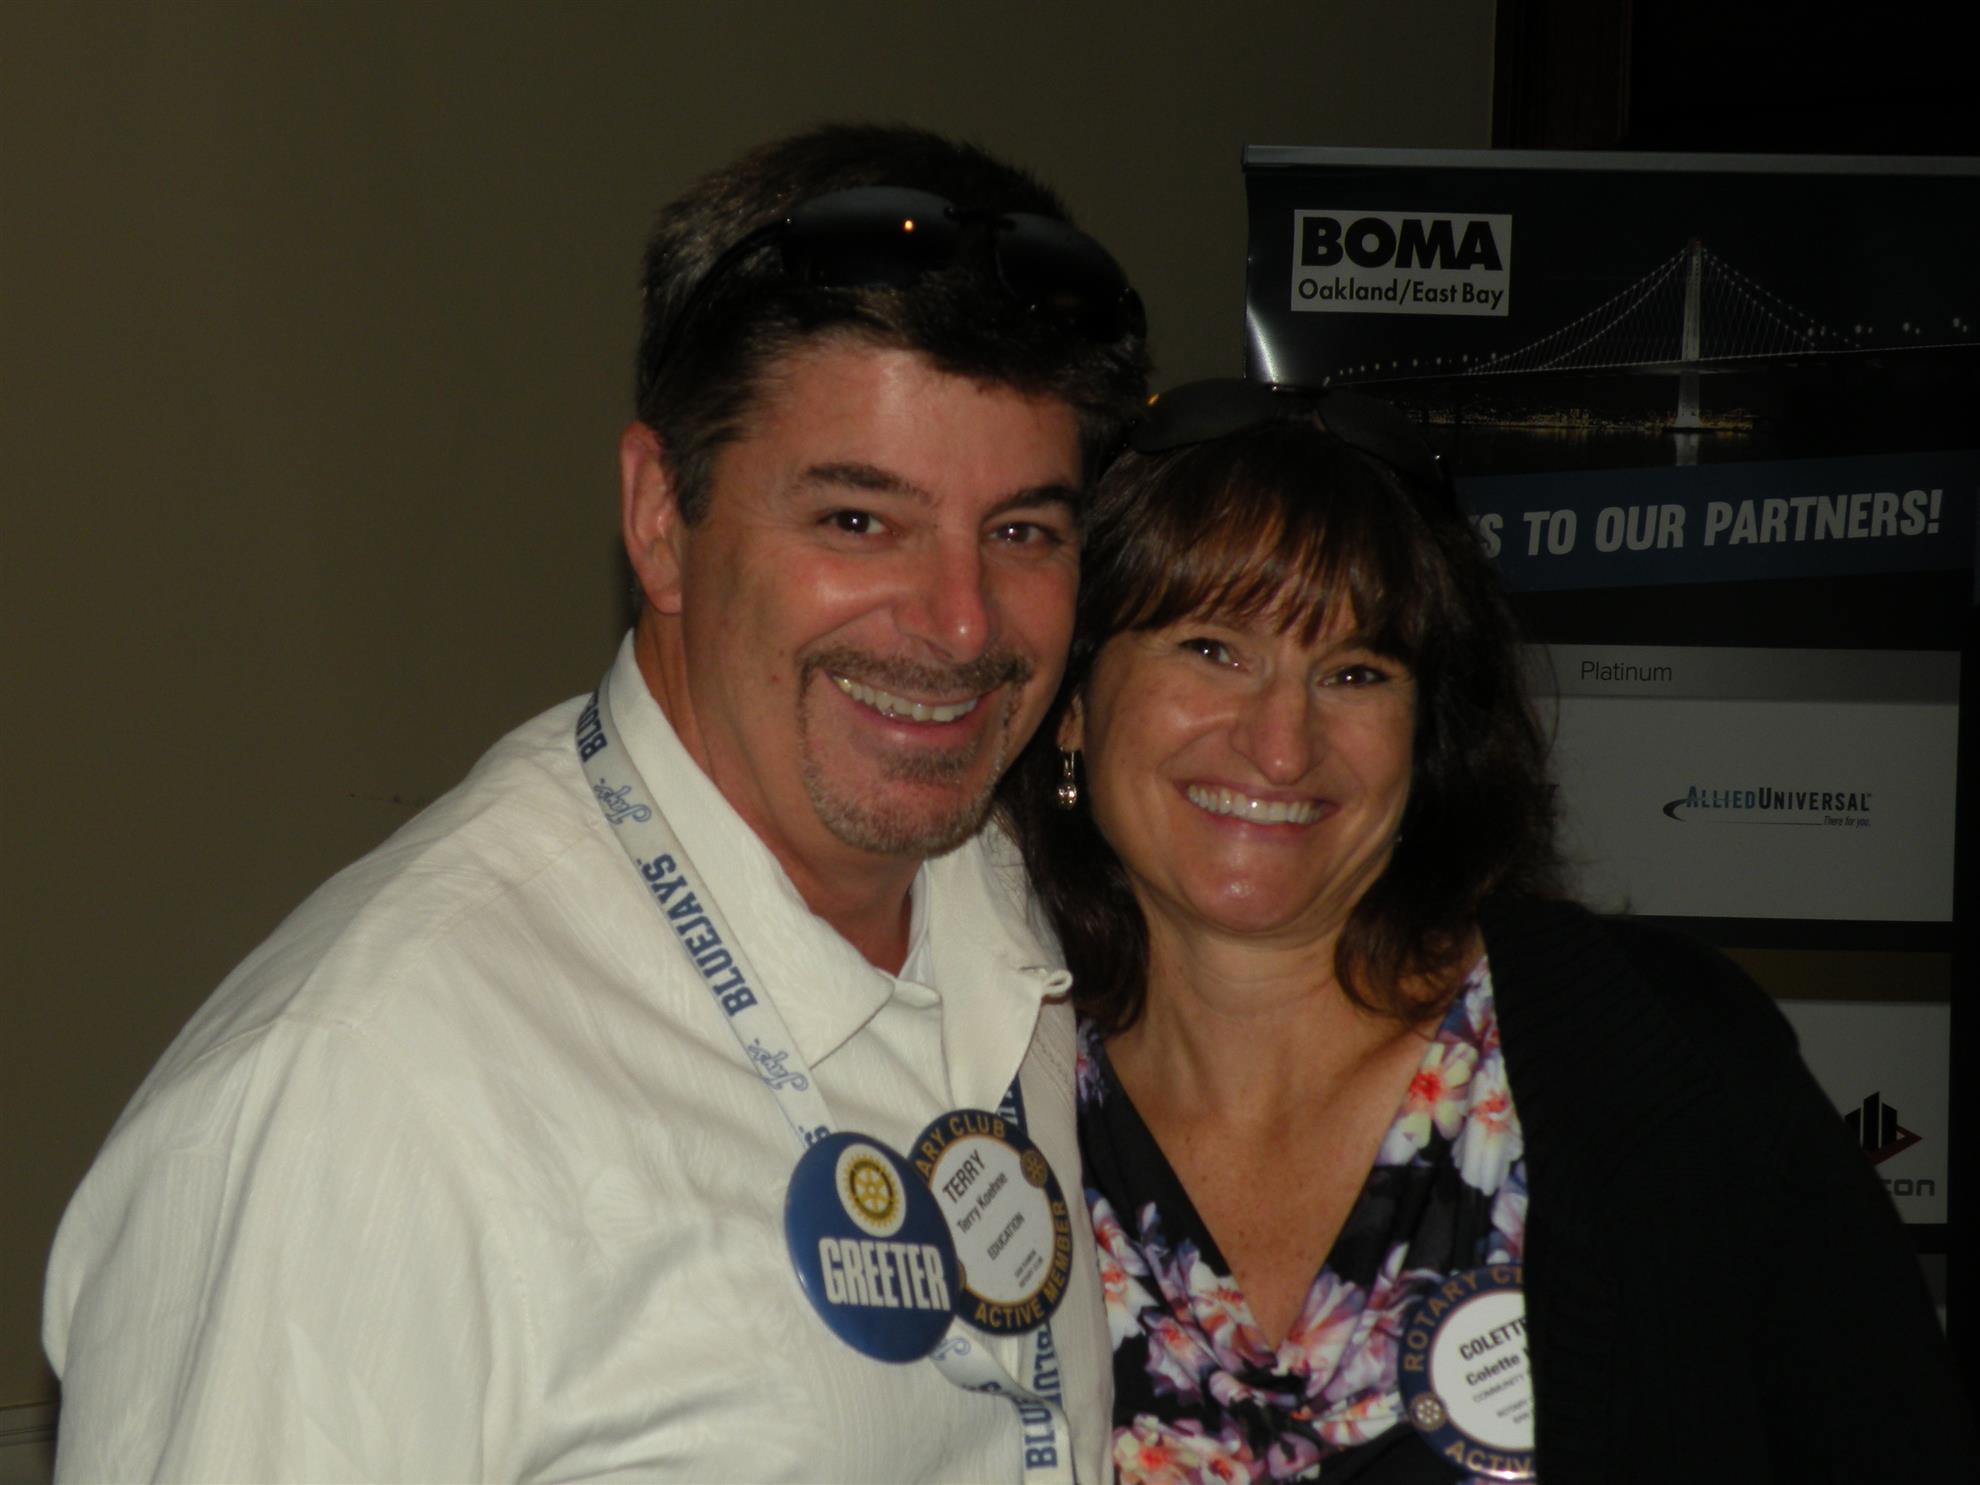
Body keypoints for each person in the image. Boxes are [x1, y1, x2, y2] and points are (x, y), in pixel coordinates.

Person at [44, 124, 1148, 1483]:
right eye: (858, 520)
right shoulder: (363, 1099)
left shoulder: (1028, 926)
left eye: (1023, 531)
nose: (962, 621)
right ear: (660, 519)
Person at [999, 379, 1974, 1483]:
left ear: (1425, 740)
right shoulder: (987, 1097)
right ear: (1072, 701)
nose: (1281, 744)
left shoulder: (1667, 1064)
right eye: (1213, 649)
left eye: (1356, 672)